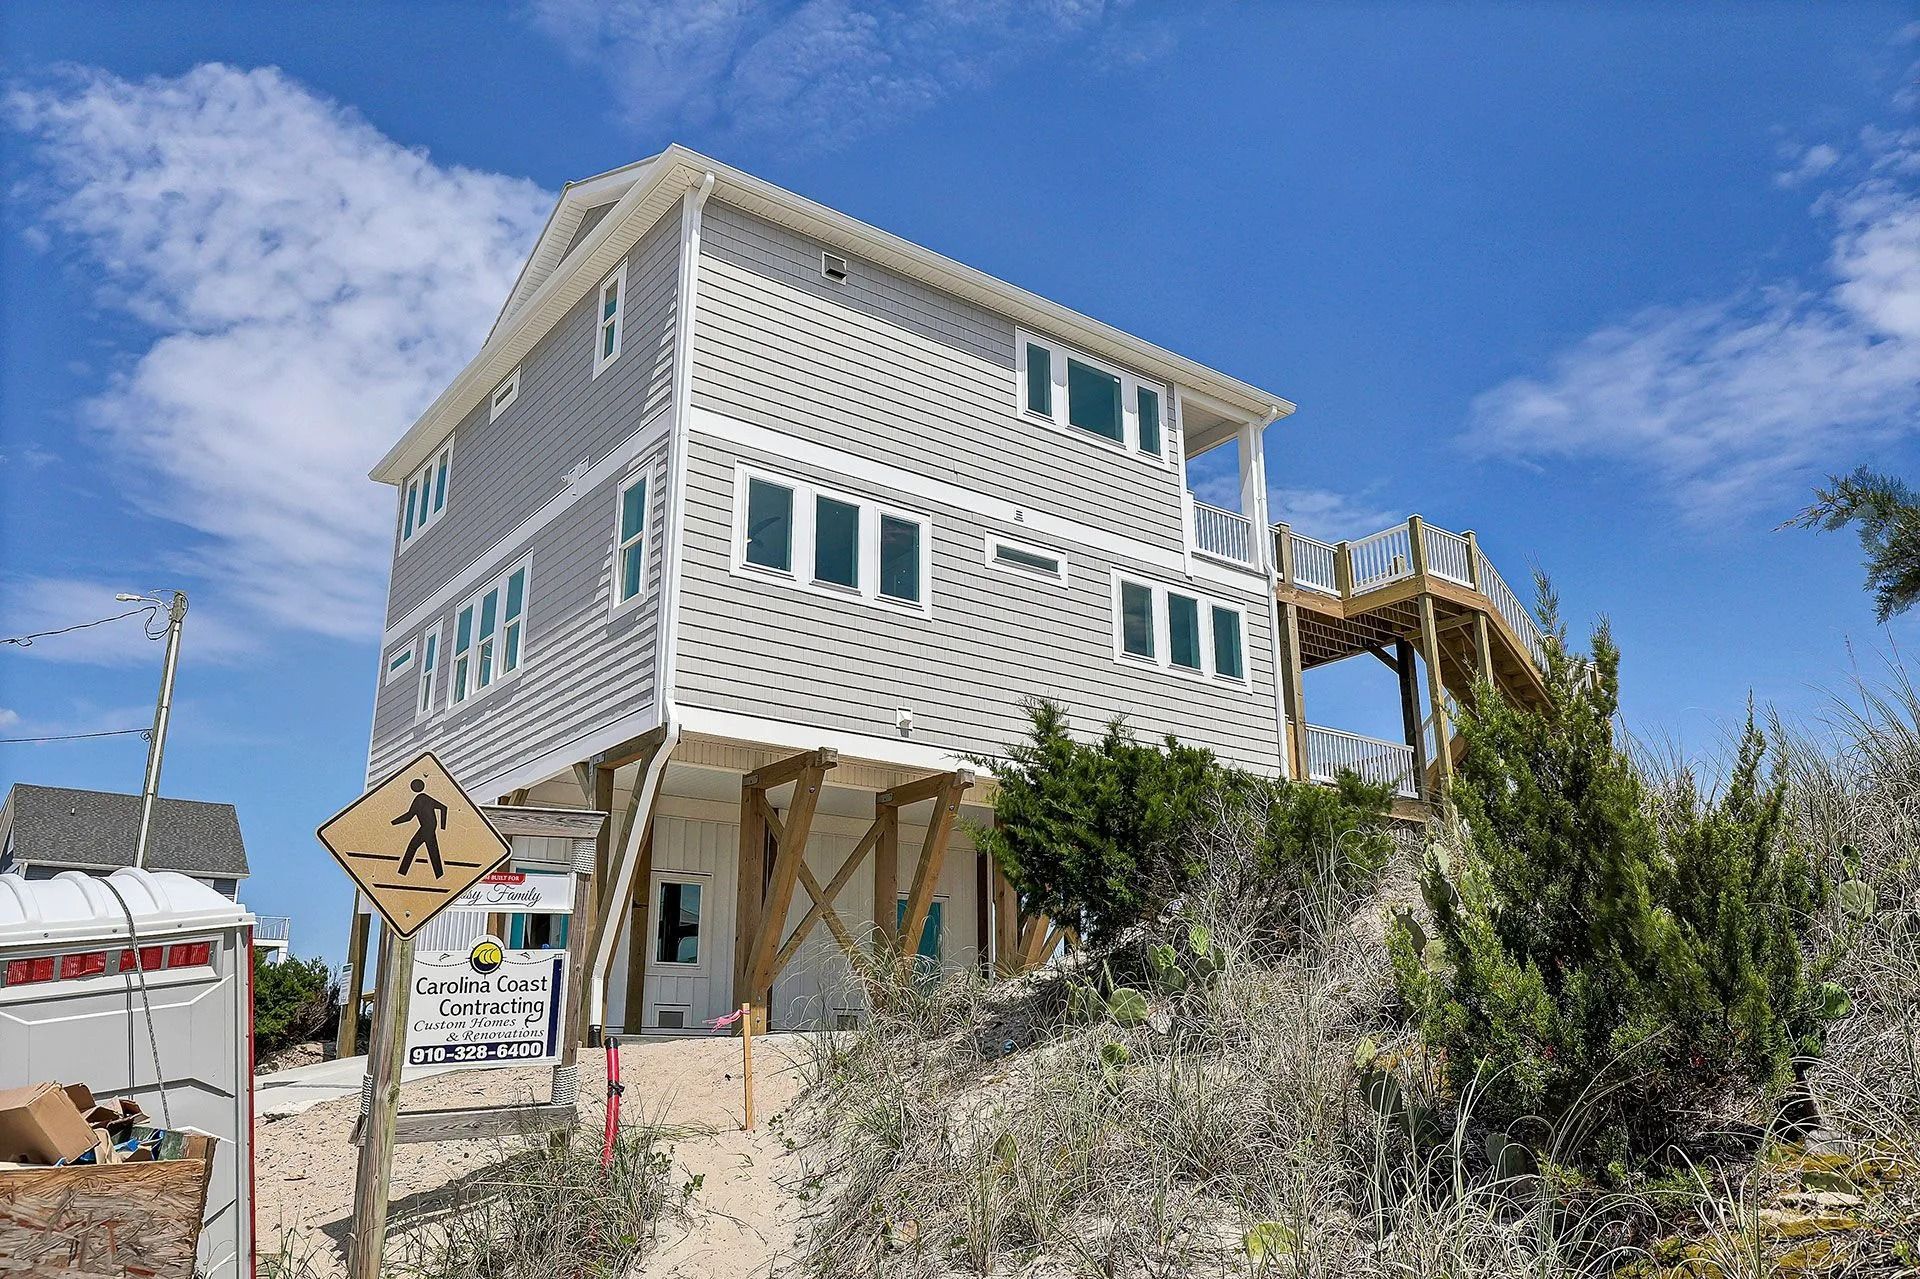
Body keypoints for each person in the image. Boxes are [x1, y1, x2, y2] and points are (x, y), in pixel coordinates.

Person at [393, 778, 449, 877]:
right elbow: (409, 816)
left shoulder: (423, 798)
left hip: (427, 828)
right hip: (428, 827)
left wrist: (443, 827)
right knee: (433, 851)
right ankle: (439, 875)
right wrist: (393, 822)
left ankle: (402, 872)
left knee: (412, 847)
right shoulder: (419, 799)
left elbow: (443, 807)